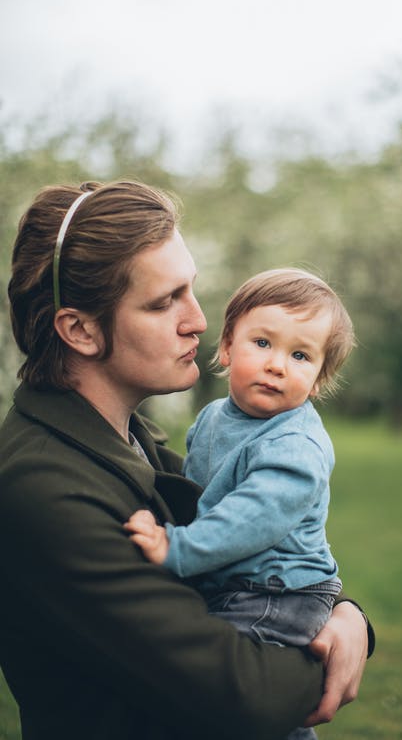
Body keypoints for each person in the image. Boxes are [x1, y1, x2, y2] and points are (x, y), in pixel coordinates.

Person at [0, 180, 374, 740]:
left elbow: (246, 529)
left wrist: (346, 613)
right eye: (163, 301)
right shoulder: (42, 486)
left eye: (190, 290)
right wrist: (341, 644)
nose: (198, 321)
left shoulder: (128, 436)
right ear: (79, 329)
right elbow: (245, 697)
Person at [125, 268, 357, 740]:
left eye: (300, 355)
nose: (277, 365)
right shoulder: (214, 417)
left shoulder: (296, 446)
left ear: (316, 381)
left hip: (279, 594)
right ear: (228, 348)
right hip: (236, 581)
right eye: (263, 343)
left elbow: (249, 518)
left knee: (227, 693)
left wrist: (177, 548)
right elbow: (197, 490)